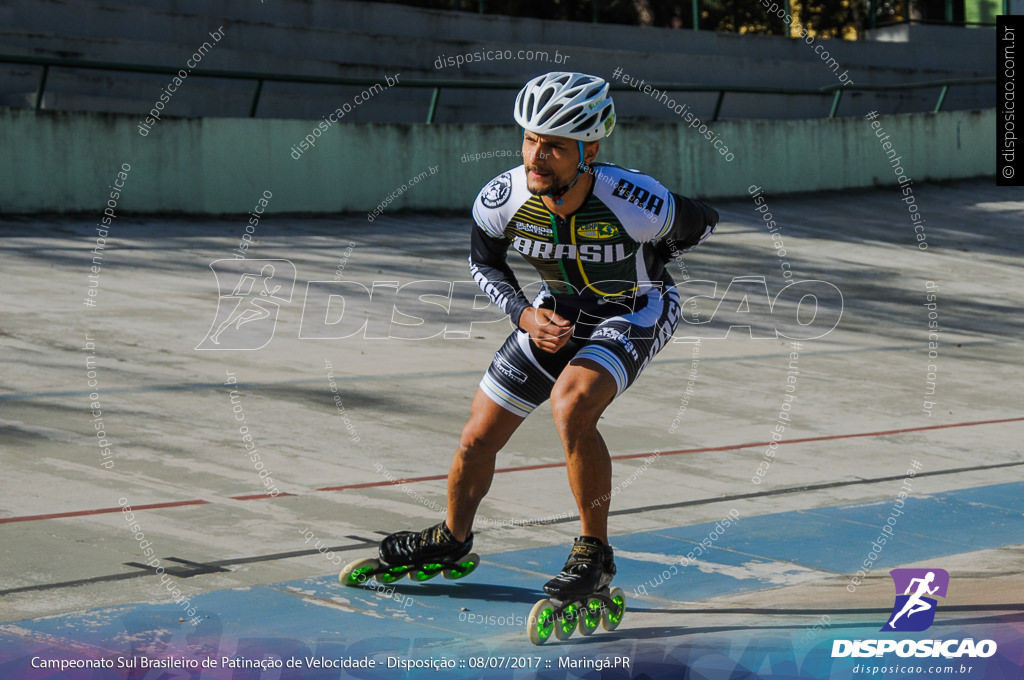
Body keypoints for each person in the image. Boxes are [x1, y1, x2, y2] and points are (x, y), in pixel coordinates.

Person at [378, 71, 719, 601]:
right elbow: (483, 263)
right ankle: (452, 538)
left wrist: (653, 259)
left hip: (635, 310)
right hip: (552, 313)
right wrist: (523, 315)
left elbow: (703, 222)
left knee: (571, 406)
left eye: (554, 147)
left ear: (589, 150)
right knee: (477, 437)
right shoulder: (503, 198)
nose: (536, 156)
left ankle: (595, 553)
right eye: (530, 139)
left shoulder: (637, 200)